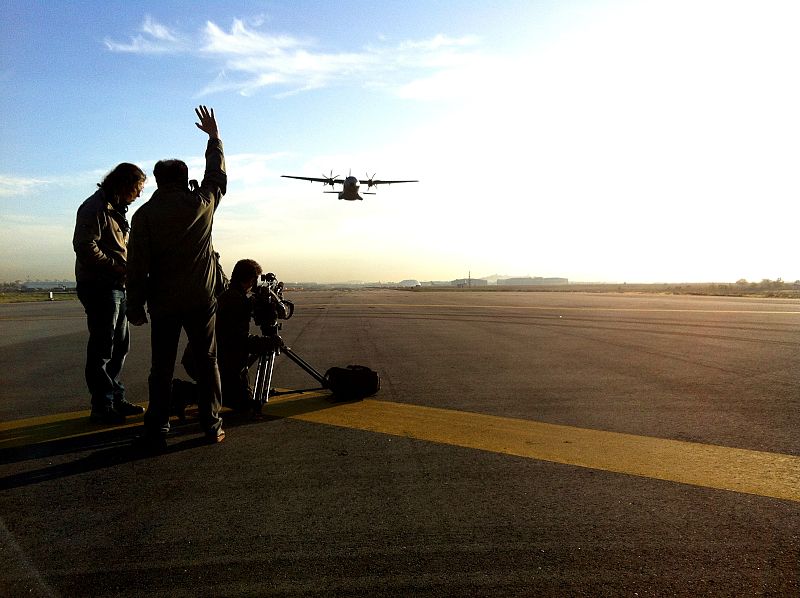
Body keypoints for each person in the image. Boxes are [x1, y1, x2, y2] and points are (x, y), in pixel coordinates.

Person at [127, 105, 226, 450]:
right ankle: (211, 425)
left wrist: (135, 305)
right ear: (184, 180)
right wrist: (214, 138)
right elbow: (216, 178)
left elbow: (136, 266)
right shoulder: (202, 204)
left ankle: (158, 427)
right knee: (207, 361)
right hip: (201, 298)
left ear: (157, 180)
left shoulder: (143, 216)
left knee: (162, 367)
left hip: (164, 301)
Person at [73, 162, 147, 424]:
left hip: (117, 285)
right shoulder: (94, 208)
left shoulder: (114, 210)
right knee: (103, 348)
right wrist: (116, 267)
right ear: (125, 185)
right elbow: (84, 247)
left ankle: (113, 398)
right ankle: (102, 406)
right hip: (101, 286)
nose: (139, 194)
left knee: (119, 347)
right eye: (138, 188)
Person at [182, 258, 278, 413]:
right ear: (251, 280)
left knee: (241, 398)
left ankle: (208, 390)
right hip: (207, 362)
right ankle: (184, 392)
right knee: (242, 404)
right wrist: (265, 343)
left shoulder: (231, 295)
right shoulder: (235, 301)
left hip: (204, 358)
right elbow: (237, 340)